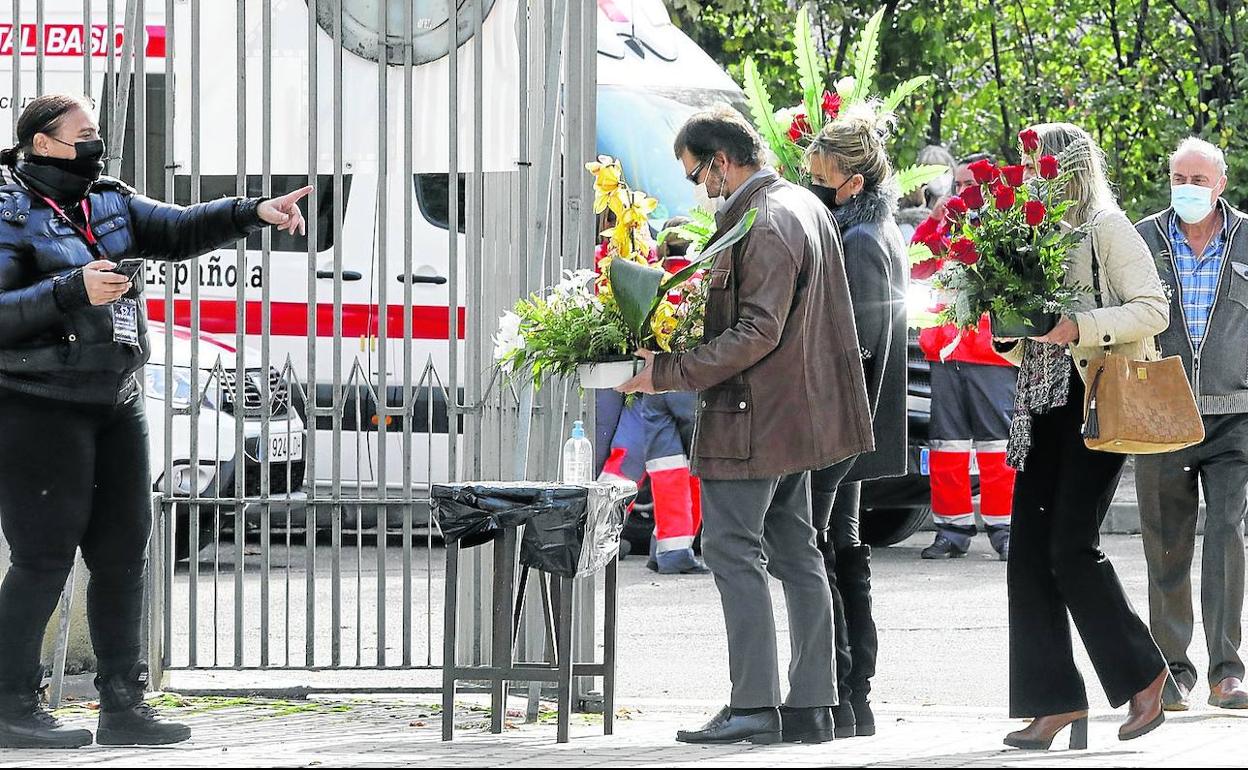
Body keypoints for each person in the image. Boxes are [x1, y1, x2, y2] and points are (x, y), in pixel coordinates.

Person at [0, 94, 310, 749]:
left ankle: (123, 704)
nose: (96, 144)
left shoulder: (106, 199)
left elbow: (175, 227)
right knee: (43, 557)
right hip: (35, 402)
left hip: (115, 397)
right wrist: (69, 291)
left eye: (96, 134)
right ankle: (10, 705)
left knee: (123, 553)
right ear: (45, 143)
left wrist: (251, 211)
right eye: (83, 135)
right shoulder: (10, 209)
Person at [618, 107, 874, 745]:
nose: (700, 188)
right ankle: (815, 706)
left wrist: (668, 371)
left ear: (724, 161)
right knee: (795, 549)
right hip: (796, 419)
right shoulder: (801, 206)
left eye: (698, 173)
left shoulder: (763, 220)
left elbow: (757, 331)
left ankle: (754, 705)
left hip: (754, 419)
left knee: (731, 549)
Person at [992, 122, 1170, 749]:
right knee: (1029, 555)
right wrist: (1010, 333)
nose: (1028, 173)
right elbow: (1033, 339)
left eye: (1038, 162)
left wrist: (1077, 325)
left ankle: (1145, 677)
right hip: (1042, 402)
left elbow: (1153, 307)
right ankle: (1053, 701)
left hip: (1101, 401)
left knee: (1070, 547)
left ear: (1068, 166)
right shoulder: (1027, 233)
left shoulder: (1107, 227)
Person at [805, 104, 909, 739]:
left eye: (820, 173)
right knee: (842, 550)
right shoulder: (869, 231)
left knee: (833, 551)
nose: (814, 183)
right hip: (853, 426)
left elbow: (861, 349)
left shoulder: (862, 240)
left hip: (847, 424)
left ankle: (849, 692)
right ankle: (852, 698)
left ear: (853, 180)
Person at [1134, 137, 1248, 711]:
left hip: (1237, 418)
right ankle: (1172, 670)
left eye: (1199, 180)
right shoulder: (1143, 237)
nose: (1188, 189)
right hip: (1162, 416)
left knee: (1228, 537)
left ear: (1220, 184)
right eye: (1180, 177)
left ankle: (1227, 670)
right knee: (1166, 544)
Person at [912, 153, 1018, 561]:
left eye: (966, 185)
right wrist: (937, 221)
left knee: (997, 448)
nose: (958, 192)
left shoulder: (1002, 227)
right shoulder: (945, 227)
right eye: (955, 186)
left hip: (988, 354)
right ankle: (951, 530)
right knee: (946, 447)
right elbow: (918, 266)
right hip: (944, 353)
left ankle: (1004, 528)